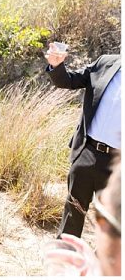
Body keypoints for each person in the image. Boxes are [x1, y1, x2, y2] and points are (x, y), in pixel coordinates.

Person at [45, 48, 120, 237]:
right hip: (87, 151)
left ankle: (101, 265)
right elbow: (68, 80)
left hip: (118, 165)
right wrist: (56, 65)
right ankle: (64, 261)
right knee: (73, 214)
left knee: (112, 226)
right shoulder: (106, 63)